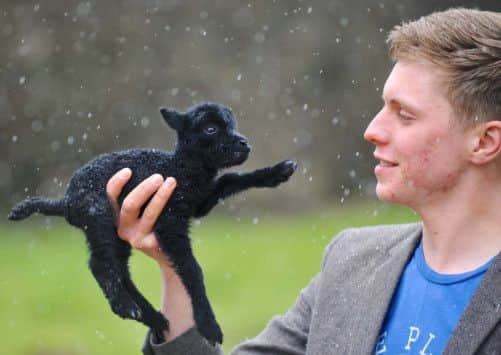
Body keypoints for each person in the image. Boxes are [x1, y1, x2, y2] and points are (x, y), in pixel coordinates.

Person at [106, 8, 501, 354]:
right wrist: (173, 264)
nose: (373, 130)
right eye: (384, 107)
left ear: (484, 142)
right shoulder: (353, 262)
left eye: (405, 115)